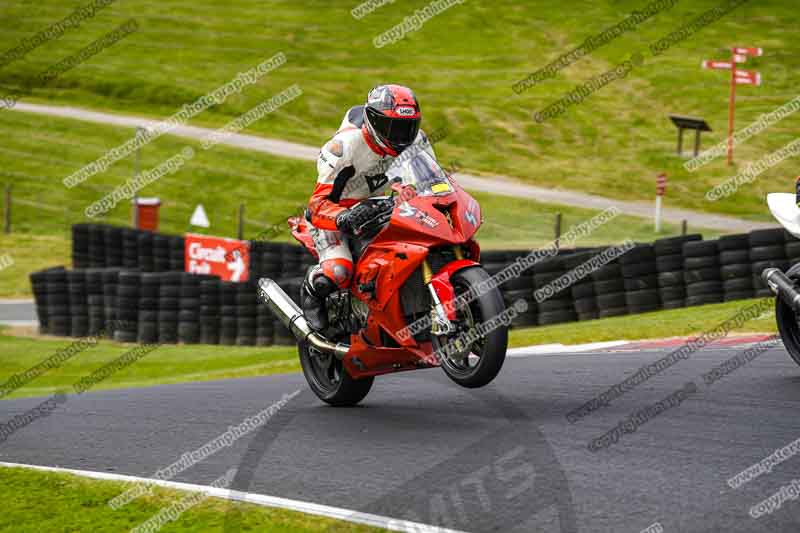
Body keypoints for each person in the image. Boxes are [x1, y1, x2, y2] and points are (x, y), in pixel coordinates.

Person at [302, 84, 437, 330]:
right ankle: (312, 290)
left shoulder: (417, 140)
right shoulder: (343, 147)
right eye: (392, 128)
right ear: (374, 121)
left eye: (407, 127)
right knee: (339, 272)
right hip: (335, 216)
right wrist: (344, 217)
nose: (400, 136)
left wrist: (411, 192)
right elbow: (317, 205)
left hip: (379, 207)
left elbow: (429, 180)